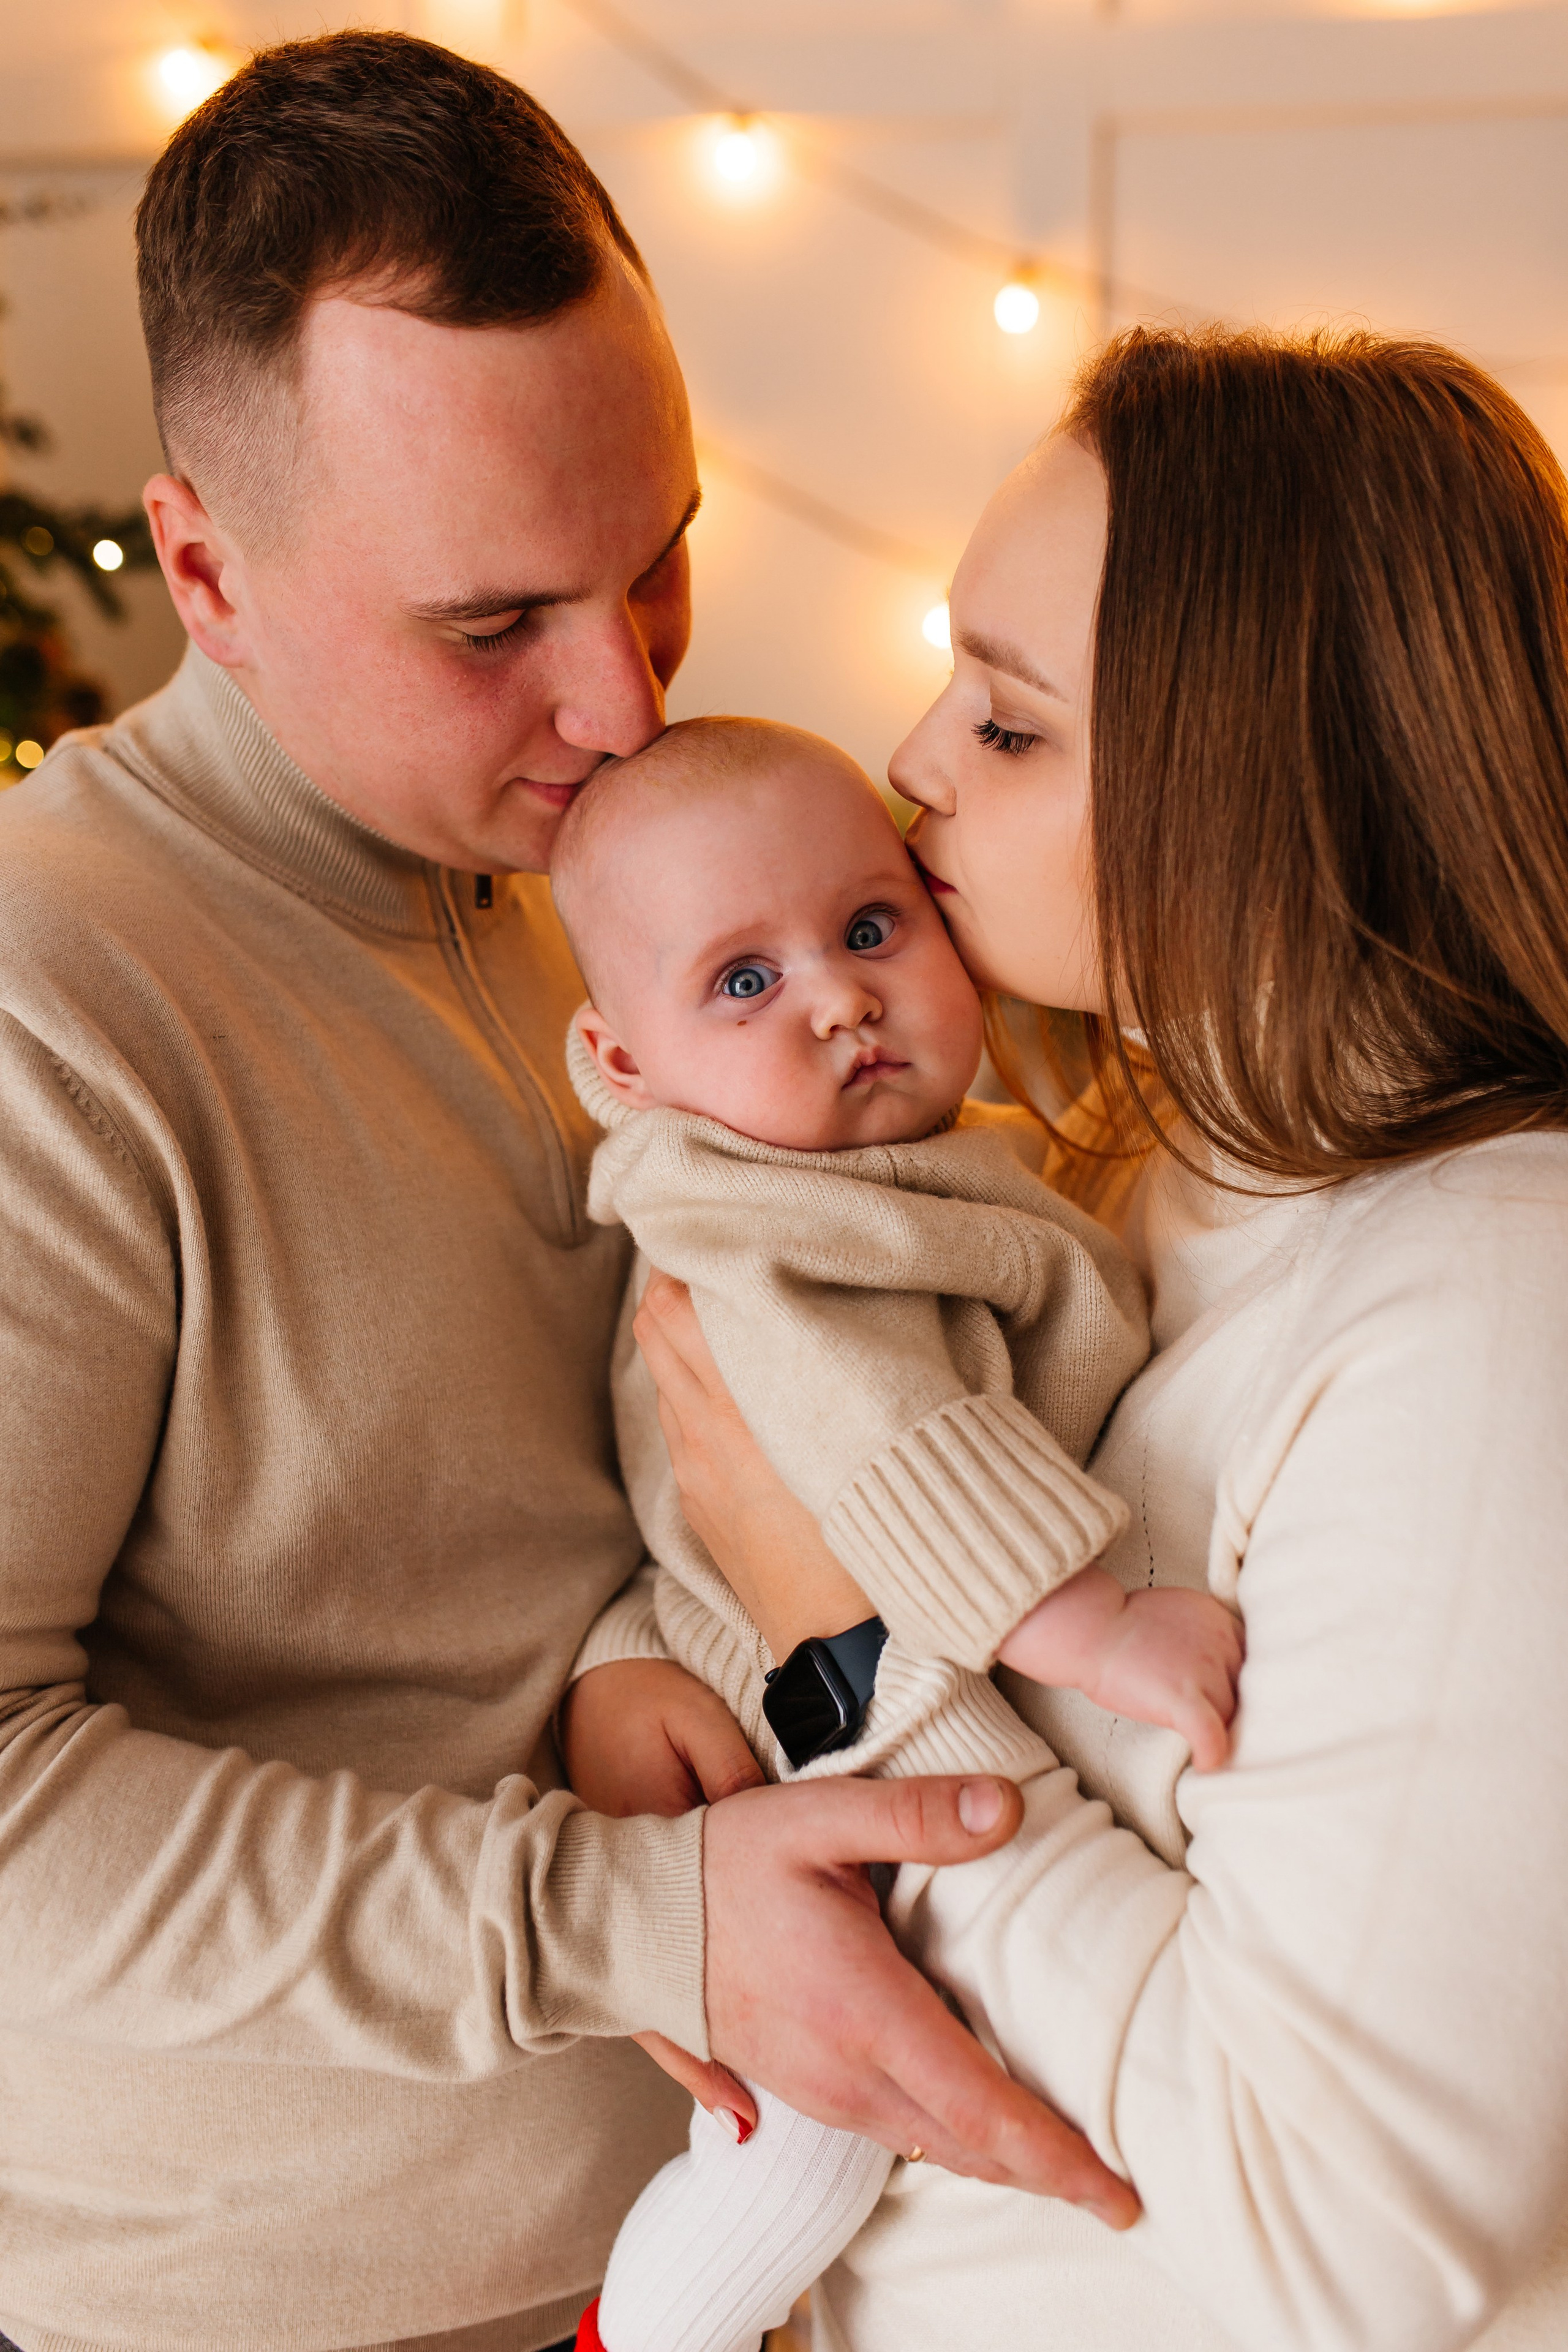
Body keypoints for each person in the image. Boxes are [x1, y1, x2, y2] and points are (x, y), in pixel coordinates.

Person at [0, 32, 1128, 2352]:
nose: (621, 699)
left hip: (751, 2267)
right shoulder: (53, 999)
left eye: (658, 558)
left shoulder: (621, 897)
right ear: (201, 564)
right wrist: (636, 1921)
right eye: (491, 623)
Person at [624, 325, 1568, 2351]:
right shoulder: (1137, 1174)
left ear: (1258, 789)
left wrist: (849, 1653)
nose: (914, 755)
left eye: (1014, 724)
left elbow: (1351, 2247)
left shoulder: (1497, 1322)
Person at [546, 714, 1241, 2351]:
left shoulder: (946, 1159)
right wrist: (1094, 1628)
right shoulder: (755, 1222)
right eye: (743, 982)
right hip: (792, 1716)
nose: (840, 997)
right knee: (807, 2149)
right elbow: (882, 1438)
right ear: (622, 1064)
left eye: (871, 930)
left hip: (845, 1649)